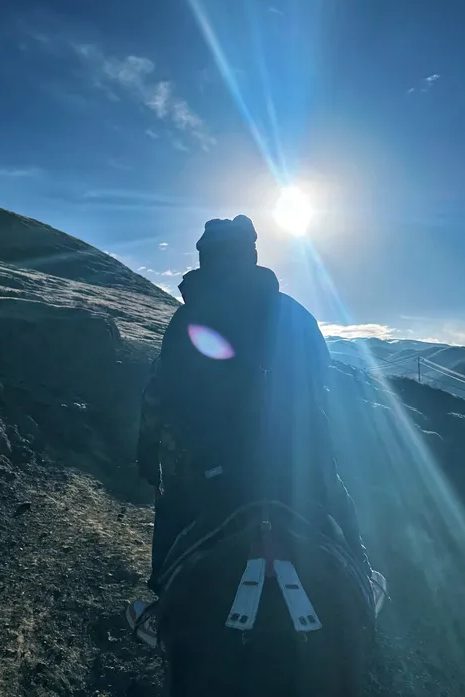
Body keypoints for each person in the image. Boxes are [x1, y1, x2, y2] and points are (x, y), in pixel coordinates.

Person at [127, 215, 373, 646]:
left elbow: (160, 395)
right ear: (252, 254)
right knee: (337, 501)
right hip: (296, 460)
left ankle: (161, 610)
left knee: (171, 507)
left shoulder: (188, 320)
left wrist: (149, 457)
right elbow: (322, 383)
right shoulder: (296, 315)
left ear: (205, 259)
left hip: (206, 466)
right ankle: (365, 588)